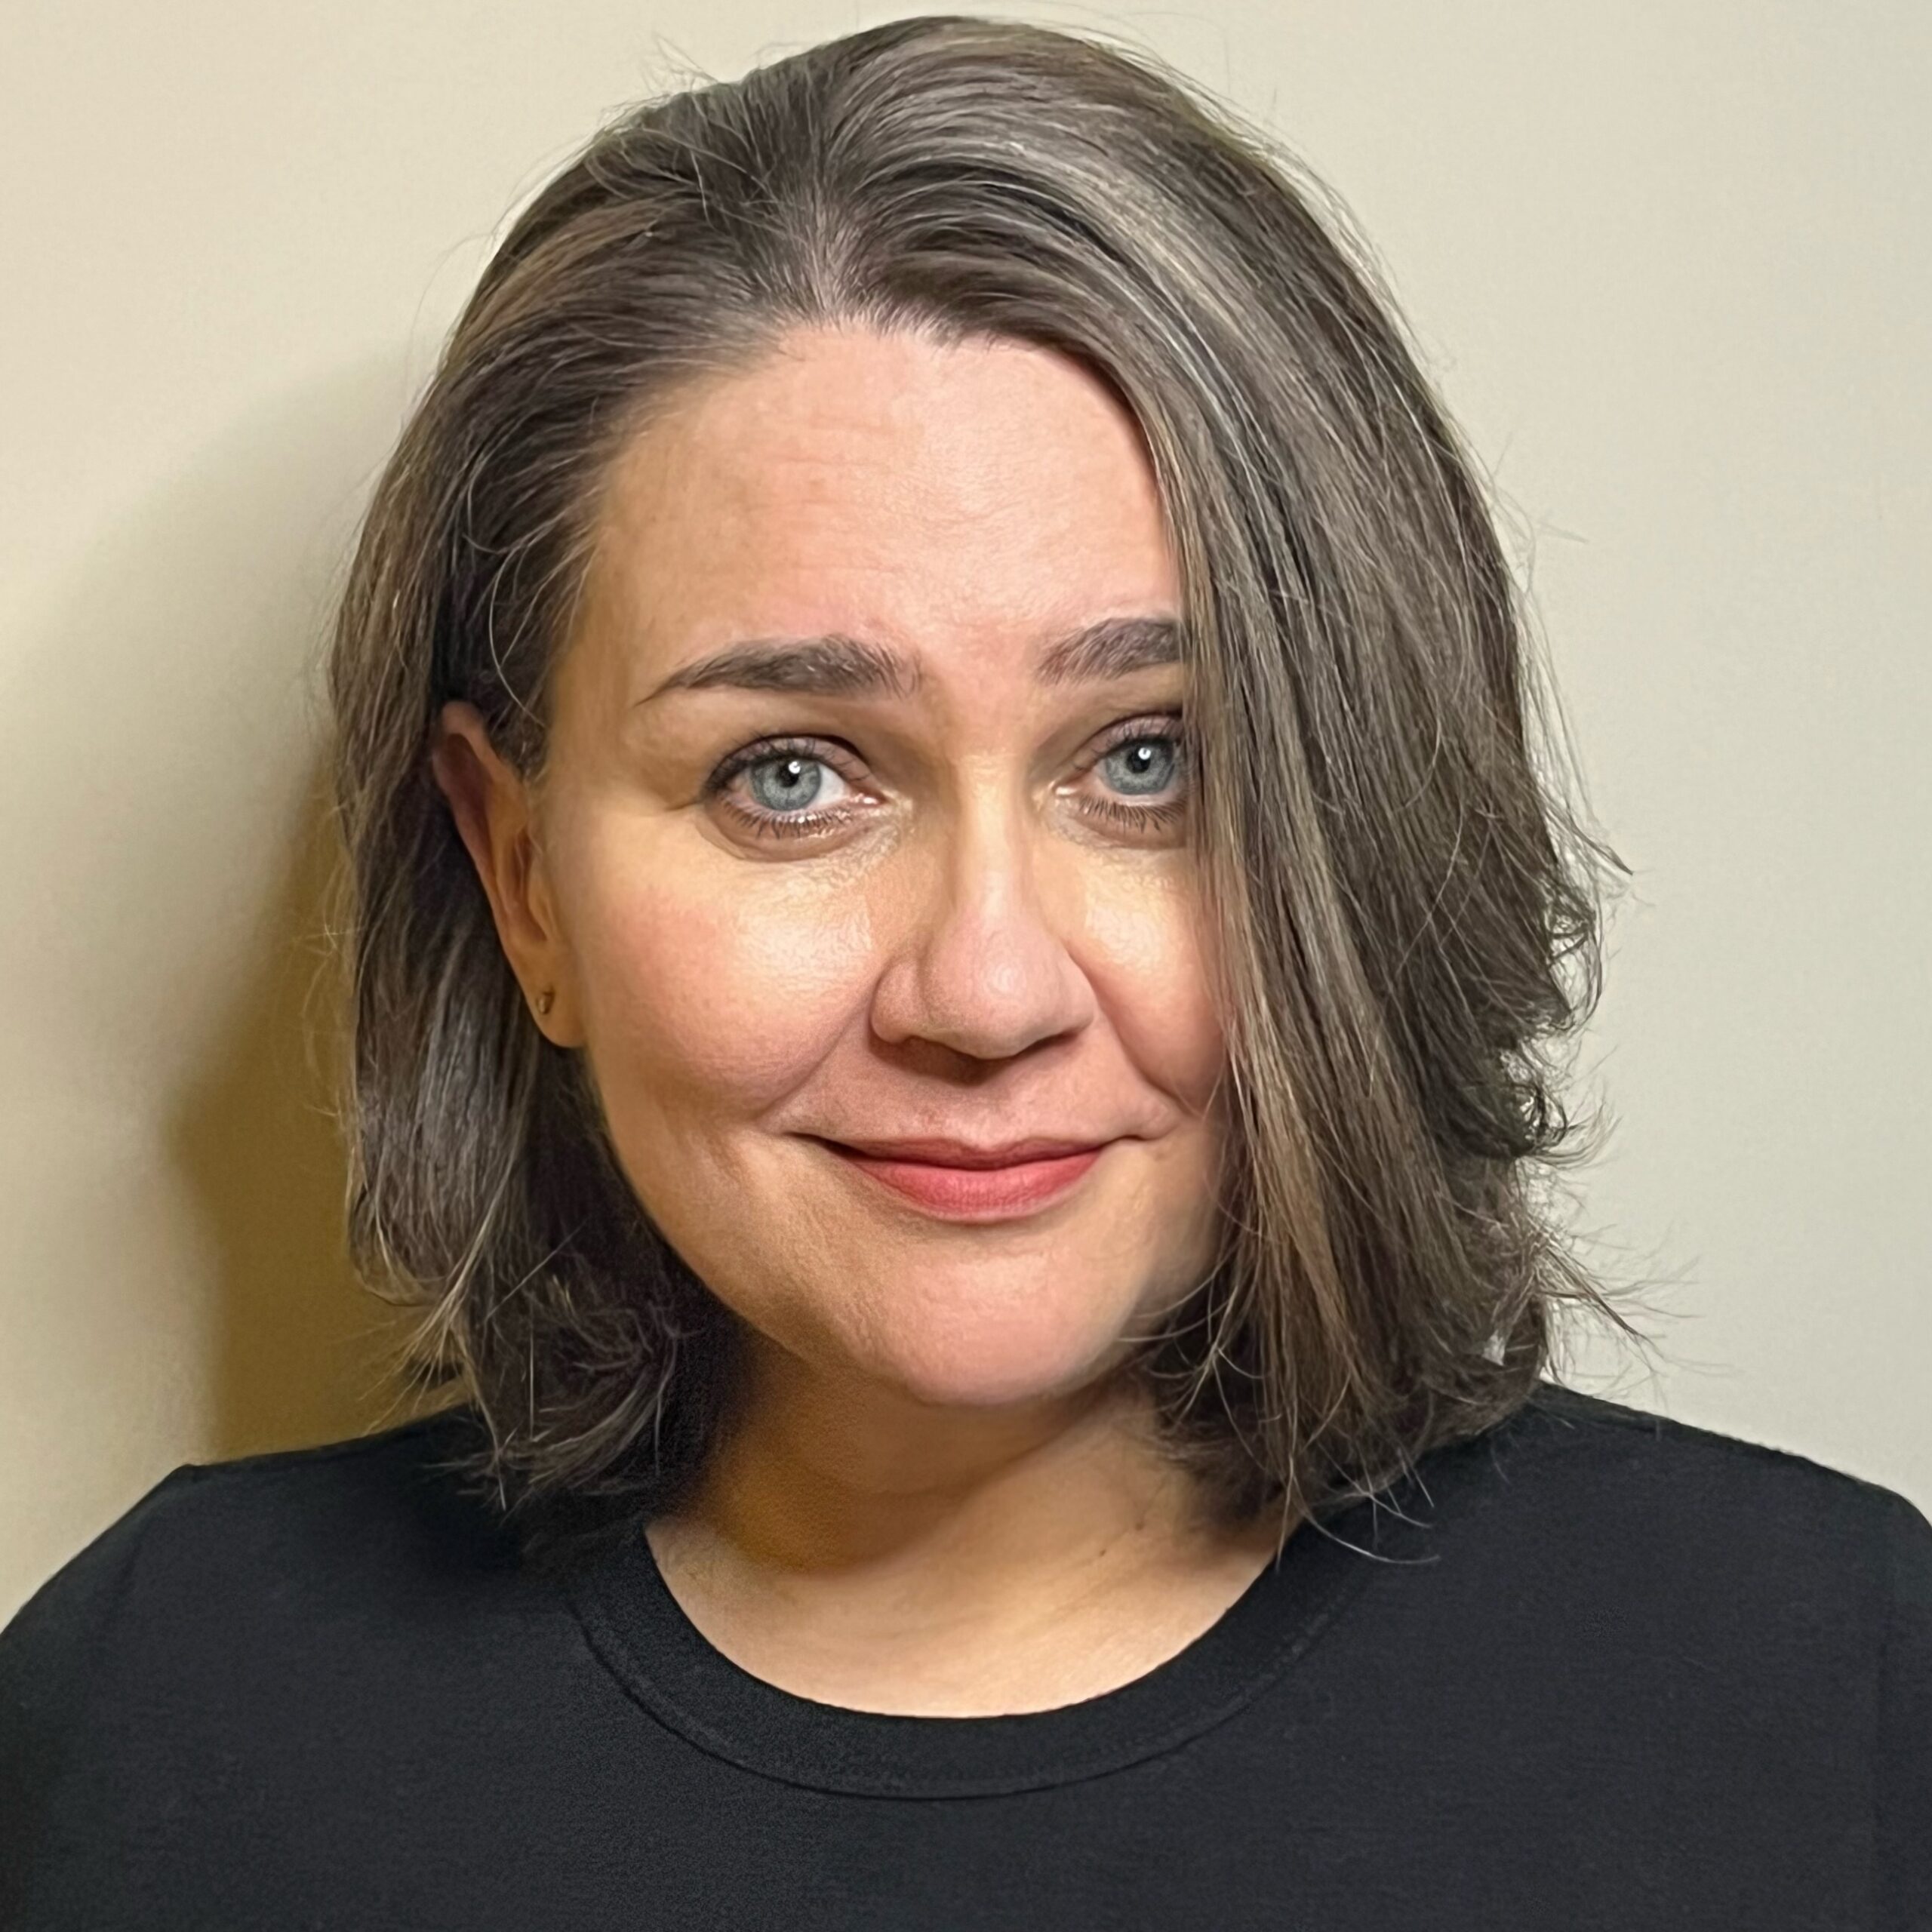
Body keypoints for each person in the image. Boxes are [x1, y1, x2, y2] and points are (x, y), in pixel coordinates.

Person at [2, 14, 1925, 1927]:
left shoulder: (1827, 1694)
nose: (985, 987)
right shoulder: (151, 1710)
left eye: (1149, 757)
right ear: (518, 875)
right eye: (788, 776)